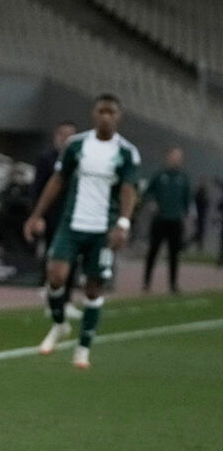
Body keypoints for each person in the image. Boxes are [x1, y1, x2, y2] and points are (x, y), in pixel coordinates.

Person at [23, 95, 139, 369]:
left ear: (119, 117)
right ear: (93, 113)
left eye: (111, 112)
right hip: (72, 224)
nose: (106, 117)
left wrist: (123, 223)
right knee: (55, 275)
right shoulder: (76, 146)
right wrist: (37, 214)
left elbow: (128, 190)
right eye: (102, 111)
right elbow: (58, 180)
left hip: (104, 230)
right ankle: (60, 324)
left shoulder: (126, 152)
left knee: (93, 287)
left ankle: (84, 347)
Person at [30, 120, 80, 318]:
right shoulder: (46, 158)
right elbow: (37, 187)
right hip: (52, 214)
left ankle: (66, 299)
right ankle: (51, 295)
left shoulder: (80, 158)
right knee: (52, 255)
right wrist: (37, 215)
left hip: (75, 216)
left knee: (72, 259)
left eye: (71, 134)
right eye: (64, 133)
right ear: (56, 135)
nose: (67, 138)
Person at [141, 147, 191, 293]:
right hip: (160, 219)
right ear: (167, 157)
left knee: (174, 254)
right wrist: (151, 202)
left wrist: (186, 216)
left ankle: (173, 284)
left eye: (178, 156)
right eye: (173, 156)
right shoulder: (159, 175)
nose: (175, 159)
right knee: (153, 251)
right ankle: (146, 282)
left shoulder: (183, 177)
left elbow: (187, 200)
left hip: (176, 220)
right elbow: (148, 193)